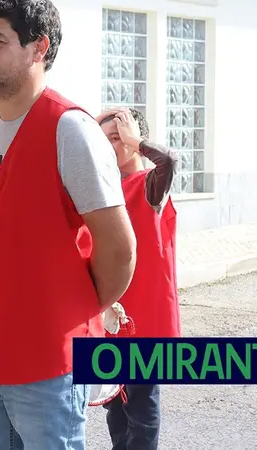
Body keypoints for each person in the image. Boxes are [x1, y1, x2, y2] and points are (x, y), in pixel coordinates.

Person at [0, 0, 138, 450]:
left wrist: (66, 311)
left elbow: (118, 248)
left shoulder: (70, 129)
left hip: (45, 352)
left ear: (38, 47)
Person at [94, 107, 181, 450]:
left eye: (117, 139)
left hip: (145, 320)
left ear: (134, 141)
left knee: (141, 409)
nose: (110, 147)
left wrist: (135, 140)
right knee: (115, 408)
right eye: (105, 141)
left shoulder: (149, 186)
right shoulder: (100, 192)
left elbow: (168, 162)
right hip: (108, 317)